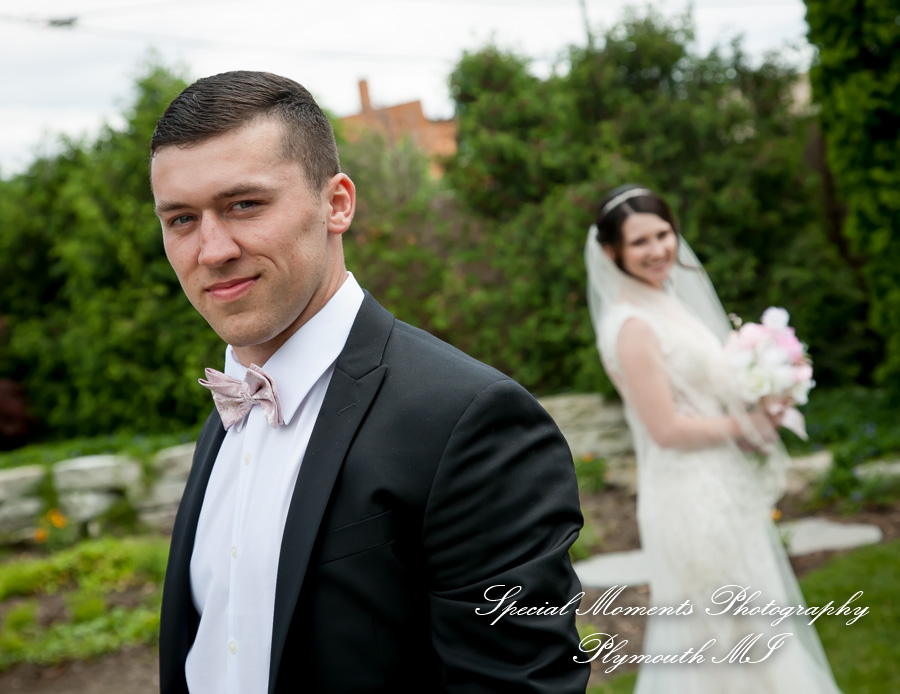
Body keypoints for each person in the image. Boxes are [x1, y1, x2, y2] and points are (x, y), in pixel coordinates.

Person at [151, 71, 589, 693]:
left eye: (243, 204)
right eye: (181, 219)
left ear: (337, 204)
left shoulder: (467, 421)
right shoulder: (225, 419)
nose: (212, 248)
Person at [585, 184, 843, 693]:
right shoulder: (631, 325)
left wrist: (765, 388)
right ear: (612, 251)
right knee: (719, 640)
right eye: (640, 242)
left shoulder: (667, 301)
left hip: (721, 485)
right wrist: (747, 428)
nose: (658, 249)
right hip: (689, 498)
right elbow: (665, 428)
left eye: (664, 234)